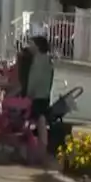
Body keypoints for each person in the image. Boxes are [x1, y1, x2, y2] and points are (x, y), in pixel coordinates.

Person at [24, 33, 55, 162]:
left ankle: (40, 150)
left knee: (39, 122)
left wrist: (29, 93)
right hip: (45, 94)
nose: (29, 46)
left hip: (38, 95)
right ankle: (41, 149)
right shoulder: (48, 59)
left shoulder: (38, 60)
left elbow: (34, 79)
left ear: (37, 46)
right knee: (40, 122)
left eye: (31, 43)